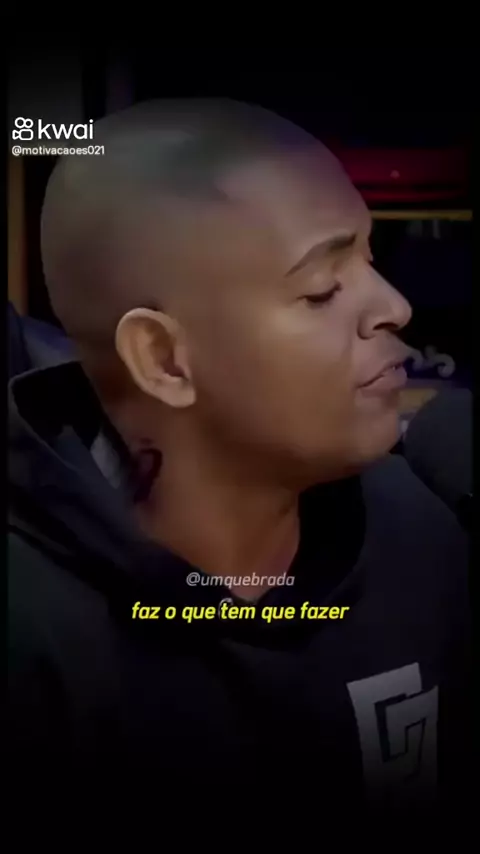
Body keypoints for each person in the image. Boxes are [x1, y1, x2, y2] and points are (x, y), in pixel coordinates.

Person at [8, 99, 470, 825]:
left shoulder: (426, 536)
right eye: (322, 289)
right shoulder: (34, 631)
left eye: (371, 259)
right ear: (164, 360)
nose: (395, 307)